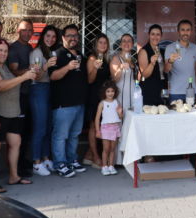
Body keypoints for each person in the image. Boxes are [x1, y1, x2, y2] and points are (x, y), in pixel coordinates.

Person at [0, 39, 35, 193]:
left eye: (5, 51)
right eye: (0, 50)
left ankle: (14, 176)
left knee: (16, 143)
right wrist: (24, 77)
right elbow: (0, 86)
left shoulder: (6, 67)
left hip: (13, 112)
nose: (3, 53)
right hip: (0, 113)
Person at [49, 24, 88, 178]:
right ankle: (60, 164)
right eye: (70, 35)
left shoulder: (79, 55)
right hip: (63, 104)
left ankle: (71, 160)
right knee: (60, 135)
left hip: (79, 103)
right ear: (63, 37)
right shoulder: (57, 54)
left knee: (74, 135)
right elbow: (52, 76)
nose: (73, 38)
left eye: (75, 36)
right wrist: (67, 67)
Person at [29, 25, 58, 176]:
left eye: (53, 37)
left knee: (47, 127)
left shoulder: (50, 51)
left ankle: (46, 158)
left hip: (47, 90)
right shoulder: (37, 52)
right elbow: (36, 76)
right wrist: (46, 66)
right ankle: (36, 162)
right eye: (48, 36)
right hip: (38, 89)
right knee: (39, 128)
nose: (50, 39)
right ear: (42, 36)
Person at [8, 19, 34, 177]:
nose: (27, 33)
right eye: (24, 30)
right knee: (18, 132)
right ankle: (17, 168)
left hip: (29, 94)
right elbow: (14, 71)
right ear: (18, 30)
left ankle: (23, 162)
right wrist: (29, 72)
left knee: (26, 131)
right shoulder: (13, 49)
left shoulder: (30, 47)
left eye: (30, 30)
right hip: (18, 96)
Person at [83, 33, 111, 169]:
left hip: (103, 97)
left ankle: (88, 155)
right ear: (95, 44)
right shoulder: (92, 58)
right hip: (94, 97)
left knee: (100, 125)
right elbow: (90, 80)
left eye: (105, 43)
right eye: (100, 42)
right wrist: (94, 67)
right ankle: (95, 157)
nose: (103, 45)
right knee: (94, 127)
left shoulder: (105, 59)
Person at [110, 33, 136, 165]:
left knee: (130, 126)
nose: (126, 43)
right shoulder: (116, 58)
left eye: (129, 41)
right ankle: (118, 160)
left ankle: (130, 157)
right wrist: (120, 67)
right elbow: (114, 78)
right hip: (121, 96)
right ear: (120, 44)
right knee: (120, 126)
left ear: (132, 44)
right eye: (124, 41)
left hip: (132, 96)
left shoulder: (132, 59)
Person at [164, 19, 196, 102]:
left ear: (191, 31)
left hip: (192, 91)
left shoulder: (195, 48)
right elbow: (166, 70)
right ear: (178, 31)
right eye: (183, 30)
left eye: (188, 30)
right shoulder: (170, 48)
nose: (185, 32)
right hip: (175, 92)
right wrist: (171, 61)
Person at [95, 81, 123, 176]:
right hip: (106, 128)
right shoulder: (102, 103)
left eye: (112, 91)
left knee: (112, 149)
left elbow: (121, 117)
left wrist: (120, 113)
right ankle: (104, 166)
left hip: (115, 127)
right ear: (104, 92)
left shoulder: (116, 102)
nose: (110, 93)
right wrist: (98, 130)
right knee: (106, 149)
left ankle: (111, 166)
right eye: (108, 91)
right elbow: (97, 118)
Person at [138, 24, 166, 106]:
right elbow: (144, 75)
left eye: (158, 34)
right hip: (149, 90)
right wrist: (152, 63)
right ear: (149, 35)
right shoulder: (144, 51)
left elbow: (163, 71)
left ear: (161, 36)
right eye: (153, 34)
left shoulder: (161, 50)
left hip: (161, 88)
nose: (155, 37)